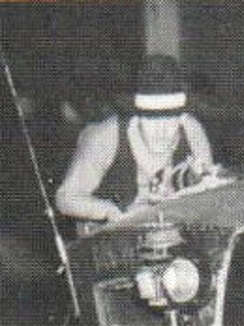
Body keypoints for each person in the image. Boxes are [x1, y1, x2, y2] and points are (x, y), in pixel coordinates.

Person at [55, 54, 214, 233]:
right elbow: (65, 198)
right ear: (136, 115)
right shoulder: (105, 136)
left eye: (170, 119)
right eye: (151, 120)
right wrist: (107, 210)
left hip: (169, 233)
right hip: (107, 238)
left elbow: (208, 189)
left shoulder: (192, 131)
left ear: (183, 117)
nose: (161, 131)